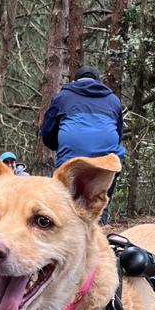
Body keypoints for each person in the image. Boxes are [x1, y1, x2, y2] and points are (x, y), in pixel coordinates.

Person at [40, 66, 124, 222]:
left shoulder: (62, 97)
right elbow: (119, 136)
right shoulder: (113, 100)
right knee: (115, 159)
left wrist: (59, 145)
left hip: (71, 158)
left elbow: (47, 135)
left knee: (66, 202)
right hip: (107, 160)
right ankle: (101, 215)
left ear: (75, 81)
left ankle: (64, 218)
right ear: (99, 82)